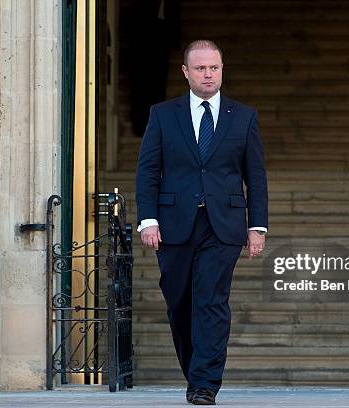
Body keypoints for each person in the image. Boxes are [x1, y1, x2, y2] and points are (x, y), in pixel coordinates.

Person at [135, 39, 268, 405]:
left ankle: (205, 384)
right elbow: (147, 171)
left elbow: (255, 177)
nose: (208, 74)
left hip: (223, 226)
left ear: (222, 69)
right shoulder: (163, 114)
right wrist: (148, 220)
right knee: (180, 303)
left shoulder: (243, 117)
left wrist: (257, 226)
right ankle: (196, 372)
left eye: (214, 68)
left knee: (211, 300)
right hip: (174, 223)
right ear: (186, 72)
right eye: (200, 68)